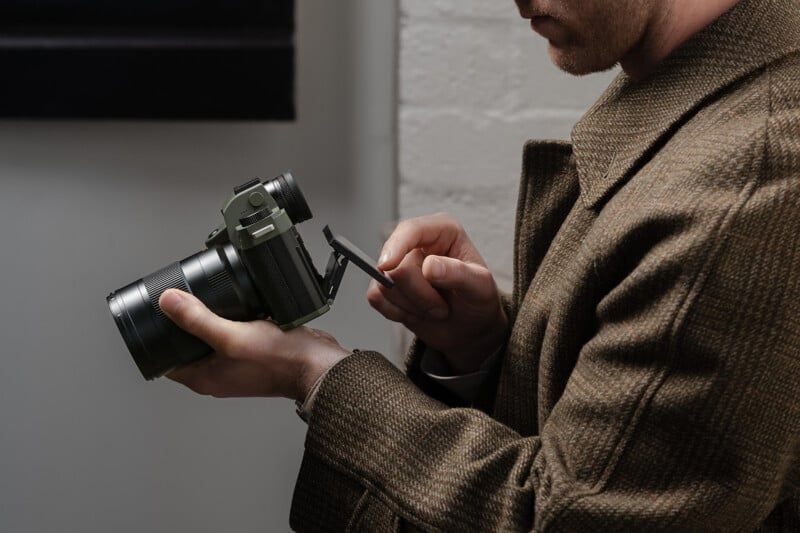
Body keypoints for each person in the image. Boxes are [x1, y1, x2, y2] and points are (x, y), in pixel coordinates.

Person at [157, 0, 800, 529]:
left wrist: (319, 376)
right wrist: (484, 346)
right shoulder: (697, 89)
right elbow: (618, 432)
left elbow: (572, 518)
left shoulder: (748, 188)